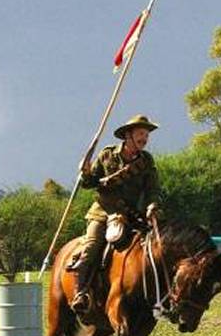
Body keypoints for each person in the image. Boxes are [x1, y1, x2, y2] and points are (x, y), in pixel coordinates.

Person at [68, 114, 161, 312]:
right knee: (92, 246)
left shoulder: (146, 161)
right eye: (140, 134)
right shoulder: (107, 155)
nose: (144, 138)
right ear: (128, 135)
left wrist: (152, 205)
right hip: (102, 212)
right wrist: (85, 173)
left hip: (131, 216)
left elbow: (153, 189)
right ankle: (81, 293)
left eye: (146, 135)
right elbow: (89, 183)